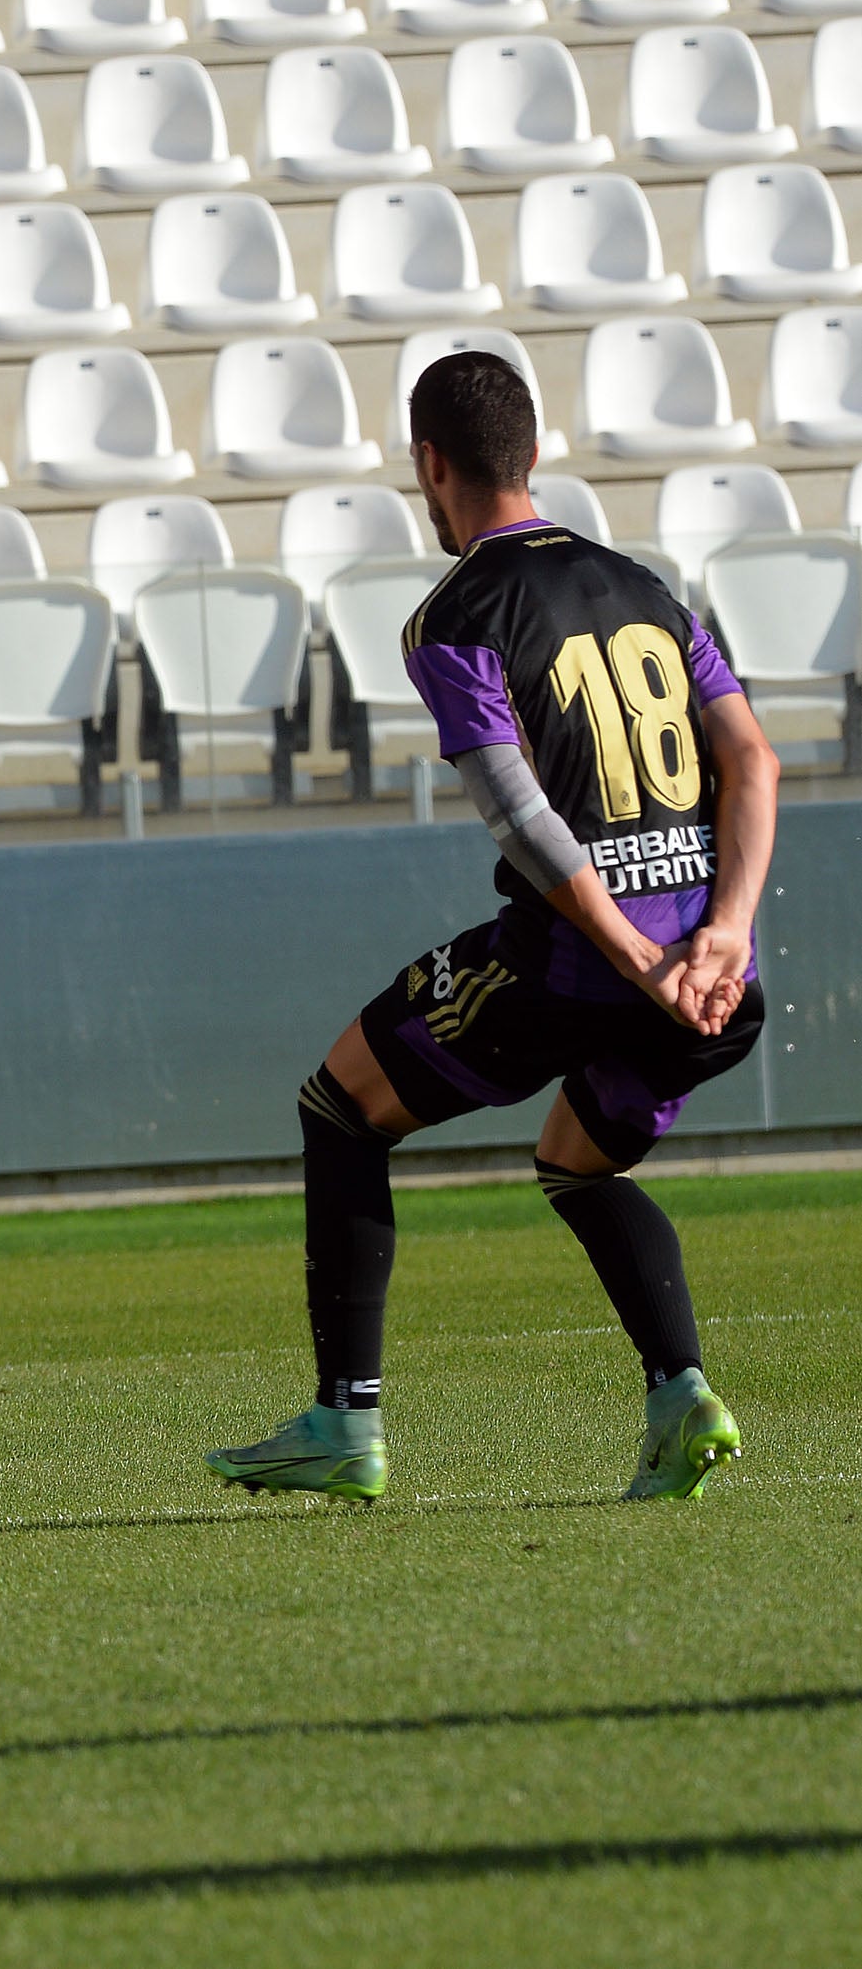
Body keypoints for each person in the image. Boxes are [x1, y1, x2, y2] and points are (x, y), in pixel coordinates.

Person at [204, 352, 779, 1505]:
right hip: (718, 973)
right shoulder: (647, 585)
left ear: (429, 464)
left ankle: (345, 1422)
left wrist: (629, 955)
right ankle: (682, 1396)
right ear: (532, 451)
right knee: (576, 1161)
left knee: (339, 1105)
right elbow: (752, 760)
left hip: (581, 961)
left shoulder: (453, 614)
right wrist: (719, 933)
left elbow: (520, 816)